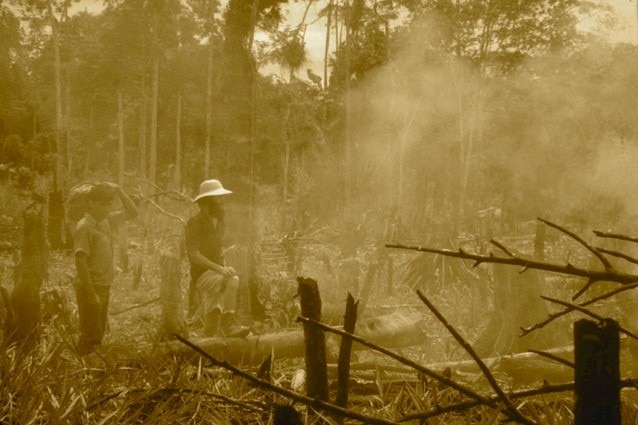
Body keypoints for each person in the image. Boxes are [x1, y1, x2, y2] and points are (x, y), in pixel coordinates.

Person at [73, 182, 139, 355]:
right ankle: (82, 371)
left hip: (103, 285)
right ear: (92, 203)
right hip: (91, 286)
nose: (106, 208)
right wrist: (90, 293)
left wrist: (119, 190)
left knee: (98, 333)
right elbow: (80, 261)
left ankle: (89, 368)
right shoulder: (85, 226)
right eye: (102, 204)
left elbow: (133, 212)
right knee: (90, 337)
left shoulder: (106, 220)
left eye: (108, 204)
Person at [185, 179, 249, 338]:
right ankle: (229, 325)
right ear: (206, 202)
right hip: (202, 275)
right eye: (218, 199)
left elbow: (217, 250)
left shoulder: (220, 221)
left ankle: (205, 352)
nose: (222, 203)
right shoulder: (194, 223)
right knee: (233, 280)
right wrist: (221, 269)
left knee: (212, 318)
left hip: (216, 273)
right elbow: (194, 255)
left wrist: (224, 266)